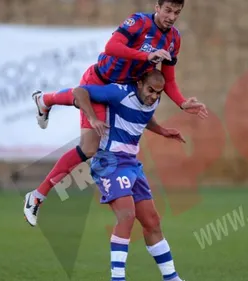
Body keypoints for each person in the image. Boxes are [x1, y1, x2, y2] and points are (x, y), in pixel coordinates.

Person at [24, 0, 207, 226]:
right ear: (157, 7)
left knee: (111, 139)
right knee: (90, 147)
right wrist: (145, 56)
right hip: (101, 80)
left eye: (176, 13)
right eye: (168, 10)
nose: (171, 16)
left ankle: (44, 100)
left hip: (127, 88)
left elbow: (168, 78)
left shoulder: (173, 39)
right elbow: (111, 47)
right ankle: (37, 196)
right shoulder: (139, 22)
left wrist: (181, 103)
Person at [76, 69, 185, 281]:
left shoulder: (150, 101)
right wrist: (92, 118)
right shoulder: (118, 93)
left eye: (158, 93)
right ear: (139, 83)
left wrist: (162, 130)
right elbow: (80, 92)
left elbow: (142, 116)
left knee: (152, 222)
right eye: (150, 90)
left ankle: (172, 278)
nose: (154, 96)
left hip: (131, 164)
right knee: (127, 216)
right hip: (109, 160)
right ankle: (117, 278)